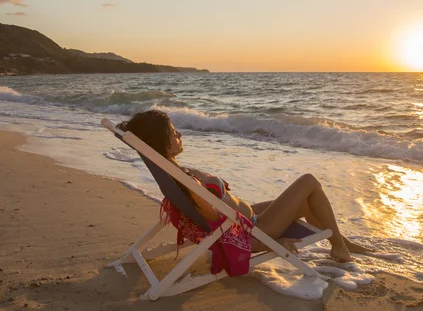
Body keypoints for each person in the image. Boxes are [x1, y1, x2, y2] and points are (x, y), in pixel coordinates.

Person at [118, 110, 370, 263]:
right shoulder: (186, 185)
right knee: (309, 181)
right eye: (173, 134)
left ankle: (341, 244)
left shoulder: (175, 172)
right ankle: (340, 248)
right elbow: (221, 232)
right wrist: (268, 244)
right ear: (161, 143)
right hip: (256, 229)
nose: (180, 135)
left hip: (249, 219)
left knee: (308, 199)